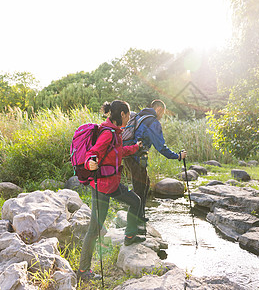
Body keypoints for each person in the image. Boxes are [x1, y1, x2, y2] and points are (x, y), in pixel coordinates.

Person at [77, 100, 146, 281]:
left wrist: (136, 148)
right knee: (95, 229)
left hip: (113, 184)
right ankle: (83, 271)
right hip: (101, 187)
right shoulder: (107, 133)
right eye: (128, 114)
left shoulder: (116, 132)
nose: (129, 118)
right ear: (122, 114)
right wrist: (90, 162)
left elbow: (118, 152)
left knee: (135, 201)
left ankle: (130, 235)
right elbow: (93, 152)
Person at [124, 99, 187, 224]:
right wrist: (178, 156)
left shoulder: (140, 116)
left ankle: (140, 215)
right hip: (135, 157)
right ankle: (134, 222)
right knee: (139, 188)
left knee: (145, 183)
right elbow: (161, 147)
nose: (162, 116)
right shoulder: (152, 122)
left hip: (130, 155)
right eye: (162, 113)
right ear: (159, 109)